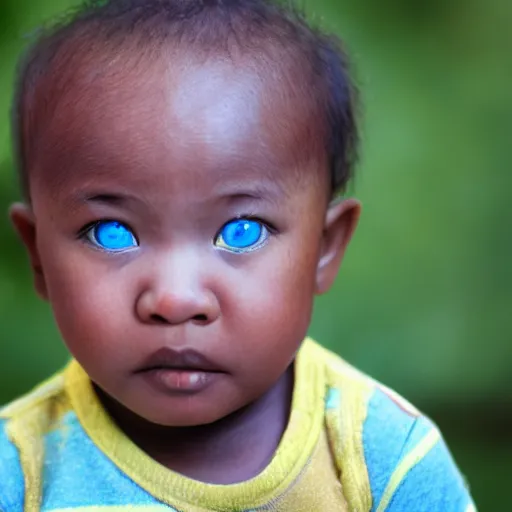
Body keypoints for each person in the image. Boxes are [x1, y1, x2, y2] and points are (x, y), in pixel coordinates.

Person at [1, 0, 476, 510]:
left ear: (325, 247)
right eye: (111, 233)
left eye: (242, 231)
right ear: (38, 255)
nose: (176, 299)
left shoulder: (385, 463)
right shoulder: (19, 473)